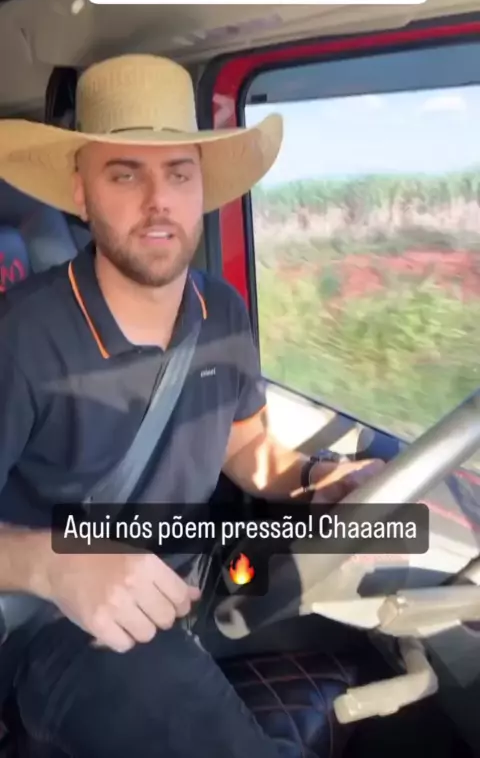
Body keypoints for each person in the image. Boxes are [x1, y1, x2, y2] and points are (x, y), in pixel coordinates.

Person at [0, 54, 384, 757]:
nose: (159, 201)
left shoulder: (224, 312)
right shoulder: (21, 337)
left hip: (197, 577)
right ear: (81, 192)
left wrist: (313, 480)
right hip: (62, 623)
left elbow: (246, 446)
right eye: (125, 175)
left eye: (179, 174)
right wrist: (55, 564)